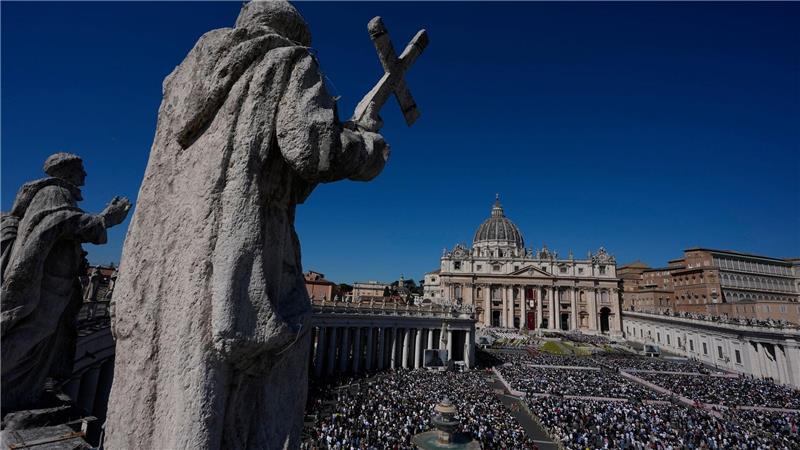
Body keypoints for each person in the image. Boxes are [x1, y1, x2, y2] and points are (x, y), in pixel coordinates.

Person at [105, 2, 389, 449]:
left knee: (162, 386)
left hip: (161, 259)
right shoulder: (288, 59)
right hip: (235, 253)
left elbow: (283, 173)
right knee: (230, 398)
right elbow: (312, 149)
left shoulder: (183, 80)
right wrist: (367, 144)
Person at [1, 152, 130, 411]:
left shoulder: (57, 193)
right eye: (81, 169)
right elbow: (58, 222)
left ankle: (22, 390)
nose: (85, 175)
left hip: (54, 282)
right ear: (67, 171)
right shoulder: (54, 192)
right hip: (47, 284)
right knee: (31, 334)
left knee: (39, 337)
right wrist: (105, 219)